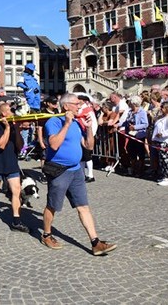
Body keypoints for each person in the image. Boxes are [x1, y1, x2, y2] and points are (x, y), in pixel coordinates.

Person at [41, 93, 117, 256]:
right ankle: (46, 234)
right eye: (76, 104)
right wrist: (67, 123)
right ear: (66, 106)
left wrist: (89, 128)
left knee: (83, 207)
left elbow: (88, 146)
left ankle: (95, 242)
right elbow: (54, 145)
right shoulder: (53, 122)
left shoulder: (77, 123)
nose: (79, 106)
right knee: (53, 205)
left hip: (76, 170)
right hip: (59, 170)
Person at [0, 103, 28, 231]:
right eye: (10, 111)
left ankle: (16, 221)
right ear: (3, 114)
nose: (13, 113)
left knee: (16, 191)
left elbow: (19, 146)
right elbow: (1, 144)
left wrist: (17, 130)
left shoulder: (13, 125)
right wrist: (7, 128)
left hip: (11, 162)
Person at [152, 102, 168, 186]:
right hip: (160, 141)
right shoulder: (163, 117)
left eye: (163, 107)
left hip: (165, 141)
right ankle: (165, 176)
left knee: (166, 159)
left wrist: (162, 134)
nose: (161, 109)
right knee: (162, 160)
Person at [123, 95, 148, 177]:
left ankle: (140, 170)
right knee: (131, 151)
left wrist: (135, 127)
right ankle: (133, 169)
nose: (129, 103)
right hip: (131, 135)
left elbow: (145, 124)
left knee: (140, 153)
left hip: (139, 135)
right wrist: (118, 125)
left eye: (130, 102)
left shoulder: (142, 112)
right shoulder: (130, 112)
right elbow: (126, 122)